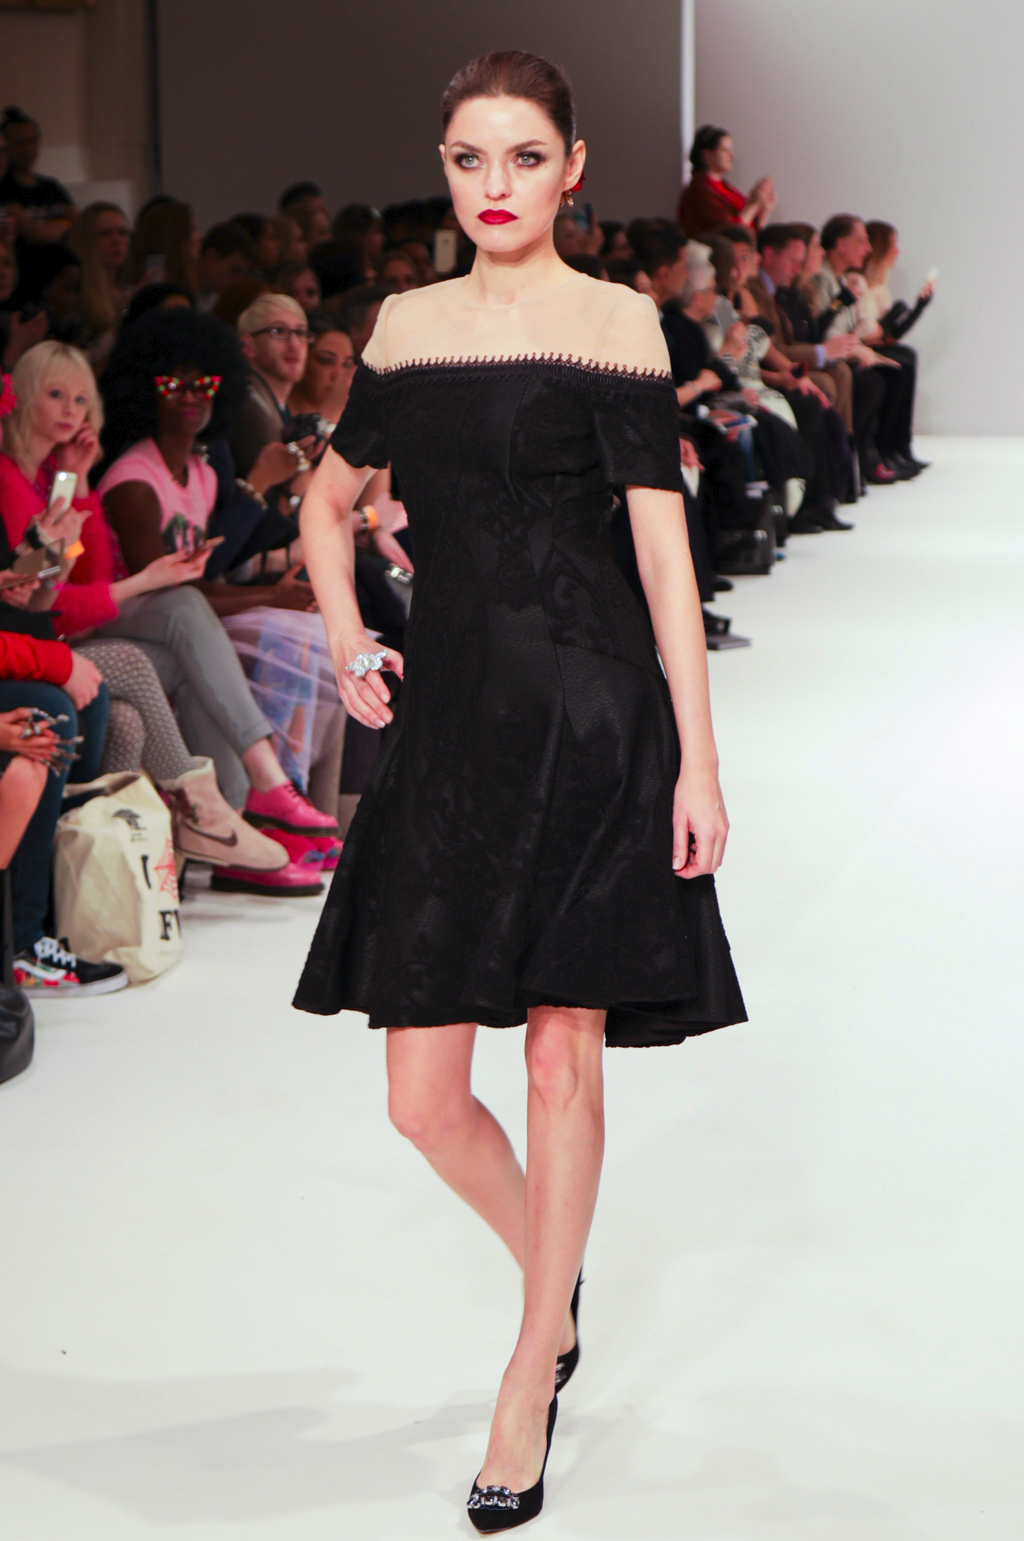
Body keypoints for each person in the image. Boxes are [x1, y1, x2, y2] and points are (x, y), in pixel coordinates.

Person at [294, 50, 745, 1529]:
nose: (496, 185)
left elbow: (664, 553)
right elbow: (325, 499)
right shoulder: (408, 326)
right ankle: (556, 1280)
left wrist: (698, 754)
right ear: (445, 167)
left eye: (526, 157)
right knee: (422, 1098)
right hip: (450, 732)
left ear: (573, 168)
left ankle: (528, 1360)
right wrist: (347, 634)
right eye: (470, 158)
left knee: (560, 1055)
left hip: (596, 720)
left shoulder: (616, 322)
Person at [0, 340, 321, 890]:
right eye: (56, 395)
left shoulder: (50, 476)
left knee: (166, 686)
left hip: (52, 637)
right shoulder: (12, 480)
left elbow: (67, 582)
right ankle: (222, 814)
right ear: (25, 395)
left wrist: (77, 480)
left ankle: (174, 849)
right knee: (167, 627)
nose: (72, 410)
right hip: (37, 649)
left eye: (81, 398)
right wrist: (148, 580)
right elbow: (43, 606)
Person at [97, 308, 343, 856]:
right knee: (198, 618)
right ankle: (271, 786)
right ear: (146, 389)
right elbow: (165, 593)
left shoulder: (204, 475)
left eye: (204, 383)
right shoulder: (134, 481)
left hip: (171, 631)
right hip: (119, 617)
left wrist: (271, 595)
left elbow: (198, 585)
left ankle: (239, 825)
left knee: (217, 665)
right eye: (173, 384)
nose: (191, 396)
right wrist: (265, 596)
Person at [808, 215, 919, 481]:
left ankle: (879, 451)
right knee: (876, 381)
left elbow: (853, 329)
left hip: (842, 352)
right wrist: (860, 348)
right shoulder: (821, 280)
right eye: (861, 241)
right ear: (842, 244)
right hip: (827, 357)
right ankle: (859, 456)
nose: (867, 249)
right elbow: (819, 332)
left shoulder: (842, 280)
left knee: (896, 367)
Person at [678, 125, 774, 238]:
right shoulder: (700, 190)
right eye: (725, 150)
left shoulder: (724, 187)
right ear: (707, 155)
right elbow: (730, 234)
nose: (732, 155)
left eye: (730, 150)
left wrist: (764, 207)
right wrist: (753, 204)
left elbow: (750, 227)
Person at [66, 201, 132, 367]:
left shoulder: (127, 288)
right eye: (105, 233)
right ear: (87, 240)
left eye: (123, 232)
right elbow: (83, 357)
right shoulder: (76, 294)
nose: (117, 240)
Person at [0, 108, 75, 250]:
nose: (27, 148)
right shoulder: (4, 188)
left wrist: (62, 225)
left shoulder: (51, 186)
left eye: (32, 141)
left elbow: (81, 224)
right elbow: (36, 235)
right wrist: (64, 224)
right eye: (19, 142)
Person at [288, 313, 356, 429]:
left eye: (347, 365)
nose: (338, 374)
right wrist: (327, 420)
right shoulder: (273, 416)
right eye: (326, 360)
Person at [126, 199, 200, 293]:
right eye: (192, 230)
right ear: (174, 237)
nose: (198, 237)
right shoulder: (156, 287)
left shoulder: (190, 279)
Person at [196, 222, 256, 310]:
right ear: (211, 257)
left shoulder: (215, 300)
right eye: (234, 271)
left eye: (242, 273)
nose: (238, 280)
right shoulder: (179, 298)